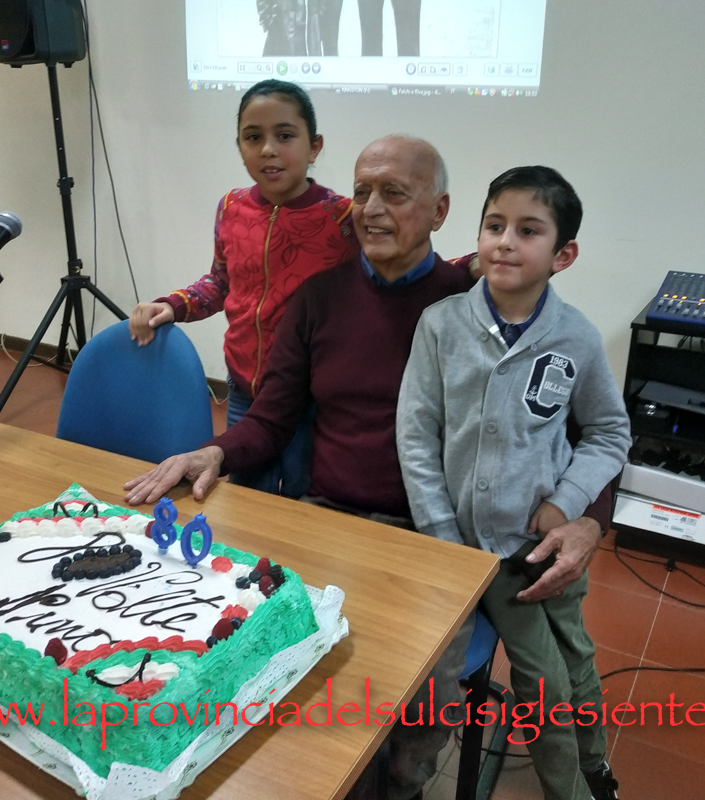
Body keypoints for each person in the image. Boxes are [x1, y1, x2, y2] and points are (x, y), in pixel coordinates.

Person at [124, 136, 614, 800]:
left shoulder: (474, 304)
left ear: (440, 211)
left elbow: (586, 431)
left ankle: (399, 789)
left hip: (435, 536)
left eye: (394, 193)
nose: (371, 209)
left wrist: (588, 522)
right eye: (360, 192)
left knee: (423, 697)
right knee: (270, 660)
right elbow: (271, 417)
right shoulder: (319, 298)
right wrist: (215, 450)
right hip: (328, 520)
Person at [395, 166, 631, 800]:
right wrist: (444, 539)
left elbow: (610, 432)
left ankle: (597, 771)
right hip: (483, 553)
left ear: (563, 255)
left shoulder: (576, 337)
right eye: (494, 225)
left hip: (544, 542)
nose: (504, 241)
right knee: (544, 682)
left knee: (578, 659)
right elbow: (415, 437)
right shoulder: (441, 325)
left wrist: (566, 502)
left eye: (528, 231)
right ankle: (569, 790)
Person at [128, 79, 358, 499]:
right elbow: (220, 281)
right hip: (243, 388)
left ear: (314, 146)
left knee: (304, 498)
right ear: (239, 146)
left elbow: (397, 262)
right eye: (253, 137)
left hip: (308, 397)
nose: (268, 149)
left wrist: (471, 266)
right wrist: (174, 305)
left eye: (284, 136)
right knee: (247, 493)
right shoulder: (232, 207)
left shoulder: (342, 217)